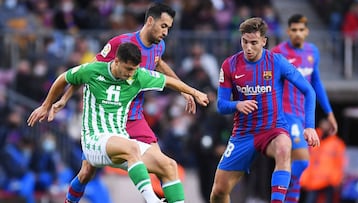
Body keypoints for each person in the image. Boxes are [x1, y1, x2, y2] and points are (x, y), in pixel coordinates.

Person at [50, 3, 197, 203]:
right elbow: (88, 71)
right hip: (108, 116)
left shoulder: (158, 46)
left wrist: (183, 89)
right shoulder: (121, 43)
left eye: (169, 28)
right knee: (86, 173)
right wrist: (64, 99)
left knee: (164, 165)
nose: (166, 32)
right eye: (163, 26)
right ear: (150, 21)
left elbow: (159, 63)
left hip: (135, 117)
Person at [27, 42, 209, 203]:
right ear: (116, 62)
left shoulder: (138, 76)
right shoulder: (93, 70)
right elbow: (63, 78)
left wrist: (194, 92)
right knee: (123, 152)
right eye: (128, 69)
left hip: (120, 140)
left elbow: (169, 81)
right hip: (94, 140)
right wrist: (46, 105)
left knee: (169, 166)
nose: (132, 74)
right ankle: (152, 200)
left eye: (135, 69)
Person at [210, 17, 320, 203]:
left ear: (263, 41)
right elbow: (221, 105)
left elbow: (309, 90)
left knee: (284, 149)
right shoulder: (230, 65)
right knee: (219, 191)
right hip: (243, 134)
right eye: (245, 42)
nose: (248, 48)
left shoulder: (277, 62)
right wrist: (236, 104)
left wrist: (309, 126)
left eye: (254, 42)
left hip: (273, 129)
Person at [271, 14, 338, 203]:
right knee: (301, 161)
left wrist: (329, 112)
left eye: (301, 30)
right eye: (294, 30)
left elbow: (316, 82)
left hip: (303, 116)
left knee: (297, 166)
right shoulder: (278, 53)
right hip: (286, 115)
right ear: (288, 31)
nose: (297, 34)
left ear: (307, 31)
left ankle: (285, 197)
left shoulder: (312, 52)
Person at [300, 118, 346, 203]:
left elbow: (340, 163)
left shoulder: (337, 144)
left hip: (329, 180)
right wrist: (304, 178)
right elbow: (305, 158)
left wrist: (337, 179)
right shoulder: (311, 139)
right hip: (313, 180)